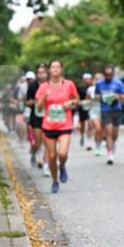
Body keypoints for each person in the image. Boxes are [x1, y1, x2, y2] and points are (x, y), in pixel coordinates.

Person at [35, 60, 80, 194]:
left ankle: (63, 166)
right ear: (49, 70)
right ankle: (55, 180)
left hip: (64, 124)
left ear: (61, 70)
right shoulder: (43, 87)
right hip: (49, 125)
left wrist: (71, 102)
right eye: (53, 67)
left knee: (62, 153)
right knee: (52, 156)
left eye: (58, 67)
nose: (55, 69)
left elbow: (77, 100)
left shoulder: (69, 85)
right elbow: (38, 107)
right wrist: (44, 97)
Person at [95, 66, 124, 163]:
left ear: (113, 74)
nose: (108, 76)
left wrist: (118, 96)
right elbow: (96, 95)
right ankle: (110, 155)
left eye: (110, 75)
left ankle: (113, 143)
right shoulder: (99, 83)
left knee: (115, 133)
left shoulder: (118, 83)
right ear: (104, 75)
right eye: (106, 75)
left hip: (116, 109)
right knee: (108, 131)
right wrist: (101, 97)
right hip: (105, 109)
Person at [25, 63, 48, 171]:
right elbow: (28, 102)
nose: (41, 75)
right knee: (38, 142)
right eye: (39, 73)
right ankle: (34, 152)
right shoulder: (33, 85)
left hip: (48, 116)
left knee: (47, 140)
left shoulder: (51, 84)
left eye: (43, 72)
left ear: (47, 73)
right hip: (36, 116)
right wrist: (37, 101)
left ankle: (44, 162)